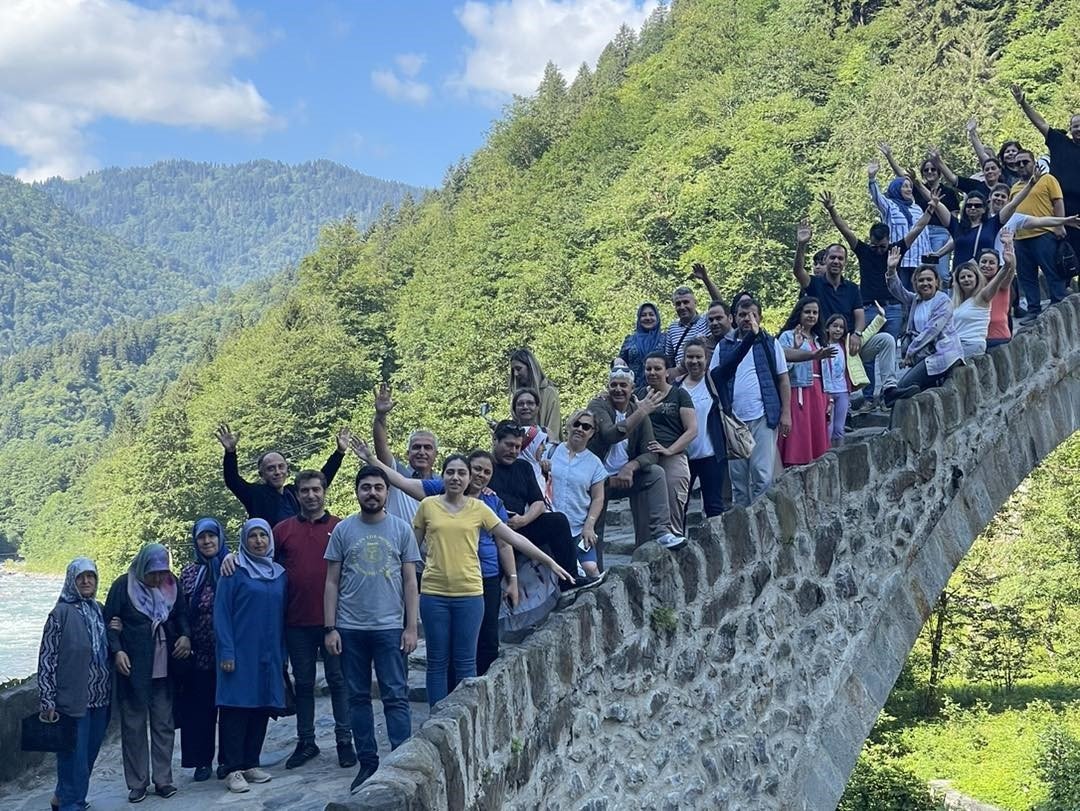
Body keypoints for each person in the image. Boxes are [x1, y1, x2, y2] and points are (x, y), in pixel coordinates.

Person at [350, 437, 570, 672]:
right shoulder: (436, 497)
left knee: (485, 640)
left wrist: (520, 575)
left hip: (484, 578)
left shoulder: (489, 502)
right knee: (448, 651)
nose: (480, 475)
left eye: (486, 472)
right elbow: (402, 482)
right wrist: (371, 458)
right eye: (475, 469)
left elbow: (507, 542)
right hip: (445, 582)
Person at [413, 455, 561, 706]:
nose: (456, 477)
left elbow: (512, 540)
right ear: (443, 475)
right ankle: (436, 716)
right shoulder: (428, 506)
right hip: (434, 593)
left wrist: (550, 561)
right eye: (450, 472)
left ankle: (465, 716)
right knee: (437, 661)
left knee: (465, 660)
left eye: (461, 473)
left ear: (468, 478)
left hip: (470, 593)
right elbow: (409, 549)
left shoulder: (481, 508)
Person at [323, 465, 421, 793]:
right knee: (358, 698)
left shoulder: (401, 530)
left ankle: (401, 760)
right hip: (350, 628)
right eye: (366, 487)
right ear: (357, 491)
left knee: (395, 695)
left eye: (378, 487)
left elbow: (411, 581)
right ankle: (367, 762)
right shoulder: (343, 531)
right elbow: (331, 582)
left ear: (387, 492)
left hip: (391, 627)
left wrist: (411, 627)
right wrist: (330, 628)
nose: (372, 493)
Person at [273, 471, 354, 770]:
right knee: (304, 683)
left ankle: (345, 740)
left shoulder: (341, 528)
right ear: (297, 493)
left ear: (325, 491)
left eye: (316, 490)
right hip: (296, 620)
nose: (310, 496)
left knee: (338, 680)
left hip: (335, 621)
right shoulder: (282, 530)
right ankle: (306, 742)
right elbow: (260, 561)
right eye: (304, 491)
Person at [104, 544, 191, 803]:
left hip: (165, 667)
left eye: (162, 572)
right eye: (152, 573)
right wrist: (117, 650)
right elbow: (110, 622)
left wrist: (186, 636)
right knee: (133, 727)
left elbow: (182, 614)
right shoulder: (123, 586)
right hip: (133, 669)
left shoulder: (171, 585)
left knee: (163, 724)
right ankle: (137, 783)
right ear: (142, 567)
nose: (157, 578)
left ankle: (163, 780)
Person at [793, 223, 913, 408]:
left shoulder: (851, 288)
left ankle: (889, 390)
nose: (836, 261)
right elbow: (798, 272)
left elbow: (859, 316)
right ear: (825, 260)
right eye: (832, 257)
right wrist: (801, 245)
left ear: (845, 262)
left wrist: (857, 333)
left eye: (840, 258)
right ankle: (843, 408)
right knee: (833, 355)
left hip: (850, 343)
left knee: (887, 340)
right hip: (825, 343)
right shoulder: (815, 284)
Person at [214, 519, 287, 794]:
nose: (258, 541)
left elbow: (282, 615)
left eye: (263, 536)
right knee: (235, 709)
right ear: (244, 540)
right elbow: (221, 614)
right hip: (239, 652)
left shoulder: (279, 573)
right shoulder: (233, 571)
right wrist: (227, 651)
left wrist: (282, 654)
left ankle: (250, 763)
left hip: (268, 653)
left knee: (261, 707)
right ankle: (231, 769)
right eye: (253, 536)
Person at [587, 367, 687, 557]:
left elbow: (650, 452)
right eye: (613, 385)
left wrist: (631, 466)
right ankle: (594, 570)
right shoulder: (598, 406)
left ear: (632, 388)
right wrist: (641, 413)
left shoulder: (638, 410)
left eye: (623, 385)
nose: (618, 390)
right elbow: (609, 435)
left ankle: (662, 531)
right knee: (595, 527)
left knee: (656, 473)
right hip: (599, 480)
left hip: (627, 477)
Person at [37, 558, 111, 811]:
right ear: (72, 581)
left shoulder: (99, 609)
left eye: (91, 576)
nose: (87, 581)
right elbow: (47, 658)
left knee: (88, 756)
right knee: (72, 757)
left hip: (100, 697)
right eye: (81, 578)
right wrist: (47, 699)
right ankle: (72, 804)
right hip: (71, 700)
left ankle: (63, 796)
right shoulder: (59, 614)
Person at [814, 192, 931, 342]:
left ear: (889, 240)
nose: (879, 250)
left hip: (893, 307)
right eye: (874, 246)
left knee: (890, 347)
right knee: (866, 348)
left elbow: (918, 228)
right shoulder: (864, 251)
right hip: (869, 308)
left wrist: (930, 209)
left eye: (882, 246)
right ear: (870, 240)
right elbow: (844, 229)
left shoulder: (895, 250)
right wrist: (831, 209)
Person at [710, 299, 790, 505]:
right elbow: (712, 379)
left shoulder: (770, 343)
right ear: (734, 318)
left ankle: (763, 523)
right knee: (738, 478)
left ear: (760, 317)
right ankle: (742, 525)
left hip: (763, 416)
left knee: (762, 474)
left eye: (752, 314)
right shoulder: (724, 346)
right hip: (734, 421)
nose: (747, 319)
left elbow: (783, 379)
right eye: (742, 315)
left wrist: (786, 413)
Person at [488, 420, 585, 590]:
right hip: (491, 532)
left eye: (518, 447)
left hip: (519, 527)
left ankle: (570, 580)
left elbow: (538, 503)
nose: (513, 451)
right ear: (495, 440)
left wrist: (524, 520)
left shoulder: (523, 467)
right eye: (509, 445)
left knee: (558, 521)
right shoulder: (483, 465)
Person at [176, 518, 228, 782]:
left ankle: (228, 760)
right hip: (198, 653)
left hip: (228, 652)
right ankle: (201, 762)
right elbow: (179, 610)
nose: (207, 542)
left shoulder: (232, 567)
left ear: (220, 538)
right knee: (199, 710)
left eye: (211, 536)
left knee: (230, 710)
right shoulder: (188, 573)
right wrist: (184, 635)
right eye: (201, 538)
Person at [215, 423, 348, 526]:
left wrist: (339, 452)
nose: (277, 472)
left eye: (281, 467)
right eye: (271, 469)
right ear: (262, 474)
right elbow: (232, 480)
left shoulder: (294, 493)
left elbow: (321, 479)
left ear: (287, 469)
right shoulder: (254, 494)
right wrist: (230, 452)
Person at [1013, 85, 1080, 267]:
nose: (1078, 129)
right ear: (1070, 128)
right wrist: (1023, 103)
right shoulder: (1059, 141)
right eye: (1075, 126)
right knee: (1061, 262)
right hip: (1059, 210)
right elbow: (1040, 123)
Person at [878, 143, 959, 283]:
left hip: (941, 233)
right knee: (924, 271)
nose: (929, 172)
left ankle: (945, 303)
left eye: (933, 169)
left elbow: (953, 218)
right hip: (923, 233)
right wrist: (889, 156)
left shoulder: (949, 193)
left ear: (939, 172)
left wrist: (951, 236)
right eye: (926, 170)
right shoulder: (917, 189)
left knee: (942, 273)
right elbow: (902, 176)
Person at [886, 249, 963, 393]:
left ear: (936, 282)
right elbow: (898, 291)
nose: (925, 283)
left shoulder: (943, 301)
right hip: (922, 355)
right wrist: (891, 270)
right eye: (921, 280)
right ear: (915, 283)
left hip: (942, 354)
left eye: (929, 279)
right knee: (913, 389)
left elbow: (931, 330)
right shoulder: (916, 300)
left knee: (903, 386)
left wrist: (910, 351)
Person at [638, 352, 697, 535]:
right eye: (648, 369)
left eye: (657, 368)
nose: (652, 372)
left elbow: (692, 430)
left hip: (673, 457)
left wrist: (670, 450)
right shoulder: (638, 394)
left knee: (673, 513)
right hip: (645, 459)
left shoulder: (679, 395)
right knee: (644, 515)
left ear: (666, 372)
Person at [545, 410, 609, 578]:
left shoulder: (595, 463)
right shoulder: (550, 451)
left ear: (592, 432)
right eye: (577, 424)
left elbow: (598, 498)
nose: (580, 429)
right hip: (551, 523)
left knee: (590, 568)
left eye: (586, 426)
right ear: (569, 425)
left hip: (578, 526)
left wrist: (590, 525)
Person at [1008, 149, 1068, 321]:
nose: (1021, 166)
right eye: (1017, 163)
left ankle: (1059, 306)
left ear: (1033, 162)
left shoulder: (1047, 179)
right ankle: (1033, 310)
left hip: (1044, 234)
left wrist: (1060, 224)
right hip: (1020, 238)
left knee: (1052, 272)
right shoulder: (1015, 187)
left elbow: (1058, 201)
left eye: (1024, 162)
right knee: (1026, 277)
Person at [777, 298, 834, 466]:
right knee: (799, 433)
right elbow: (781, 368)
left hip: (819, 392)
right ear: (799, 313)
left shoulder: (820, 338)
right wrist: (795, 348)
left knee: (817, 435)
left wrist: (829, 398)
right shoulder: (787, 336)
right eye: (807, 311)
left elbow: (827, 371)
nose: (811, 315)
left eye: (815, 312)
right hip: (799, 390)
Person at [372, 383, 438, 525]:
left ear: (436, 454)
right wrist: (380, 416)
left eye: (427, 448)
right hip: (400, 546)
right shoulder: (395, 474)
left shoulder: (442, 483)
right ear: (408, 453)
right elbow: (381, 447)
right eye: (416, 447)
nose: (421, 452)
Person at [675, 339, 727, 517]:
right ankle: (679, 543)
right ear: (684, 359)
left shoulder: (714, 380)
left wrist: (752, 333)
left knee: (714, 505)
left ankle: (718, 543)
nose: (694, 361)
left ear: (706, 359)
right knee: (680, 505)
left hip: (711, 455)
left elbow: (735, 359)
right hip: (683, 457)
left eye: (699, 357)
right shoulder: (676, 386)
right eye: (690, 357)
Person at [868, 158, 934, 287]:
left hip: (919, 261)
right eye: (905, 186)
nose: (909, 189)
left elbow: (923, 232)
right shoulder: (890, 206)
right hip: (900, 262)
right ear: (896, 189)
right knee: (901, 300)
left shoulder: (917, 208)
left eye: (910, 187)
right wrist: (872, 178)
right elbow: (877, 198)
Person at [952, 233, 1016, 358]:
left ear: (998, 267)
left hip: (997, 338)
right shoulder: (971, 285)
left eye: (991, 263)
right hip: (976, 339)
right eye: (983, 262)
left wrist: (1009, 247)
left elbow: (1009, 272)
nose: (987, 265)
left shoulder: (1001, 283)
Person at [509, 348, 563, 441]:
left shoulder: (549, 393)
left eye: (518, 369)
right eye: (513, 370)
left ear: (530, 368)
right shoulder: (517, 396)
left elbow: (553, 430)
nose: (516, 374)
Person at [510, 387, 550, 494]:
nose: (525, 407)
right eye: (520, 404)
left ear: (537, 407)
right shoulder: (507, 432)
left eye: (530, 403)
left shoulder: (546, 433)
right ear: (514, 408)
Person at [663, 285, 710, 376]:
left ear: (695, 303)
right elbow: (669, 358)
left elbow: (720, 304)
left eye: (686, 302)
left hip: (703, 377)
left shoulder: (706, 321)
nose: (682, 307)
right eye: (678, 304)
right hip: (681, 380)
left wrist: (706, 279)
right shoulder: (672, 328)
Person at [820, 315, 852, 446]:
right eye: (835, 326)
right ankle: (827, 456)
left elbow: (866, 335)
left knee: (839, 429)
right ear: (827, 328)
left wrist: (880, 318)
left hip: (842, 391)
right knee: (828, 428)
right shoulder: (820, 345)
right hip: (827, 391)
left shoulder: (846, 346)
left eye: (841, 327)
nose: (838, 330)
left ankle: (840, 456)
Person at [617, 303, 665, 386]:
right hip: (632, 388)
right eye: (643, 315)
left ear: (657, 318)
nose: (648, 318)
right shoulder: (630, 339)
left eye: (651, 315)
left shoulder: (666, 339)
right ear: (639, 319)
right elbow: (621, 361)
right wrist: (616, 361)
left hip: (659, 388)